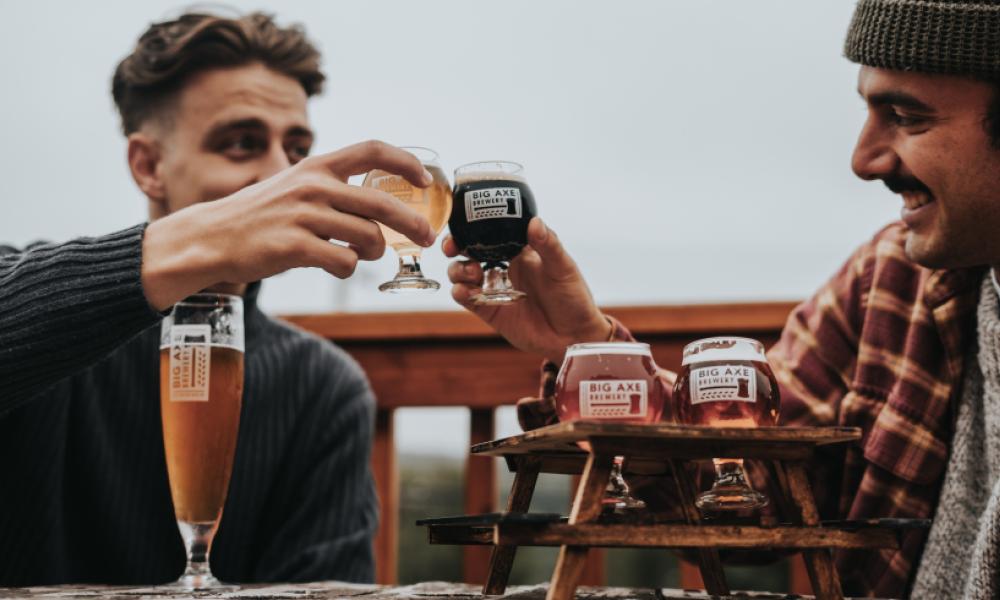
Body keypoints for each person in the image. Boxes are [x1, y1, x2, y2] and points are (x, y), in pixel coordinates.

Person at [445, 1, 1000, 597]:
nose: (864, 160)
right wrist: (590, 351)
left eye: (907, 117)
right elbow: (739, 495)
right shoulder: (888, 282)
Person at [0, 11, 436, 585]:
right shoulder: (37, 309)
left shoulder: (323, 387)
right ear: (148, 165)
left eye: (297, 148)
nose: (282, 174)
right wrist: (199, 243)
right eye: (240, 144)